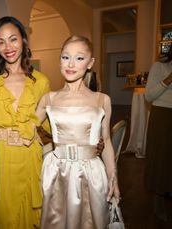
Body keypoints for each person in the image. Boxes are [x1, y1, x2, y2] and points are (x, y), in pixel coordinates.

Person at [36, 35, 120, 229]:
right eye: (65, 57)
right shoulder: (48, 98)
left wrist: (113, 178)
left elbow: (106, 141)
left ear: (90, 63)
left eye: (79, 58)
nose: (71, 64)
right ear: (60, 60)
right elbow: (29, 128)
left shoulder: (102, 100)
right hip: (56, 171)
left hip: (91, 172)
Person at [0, 16, 50, 229]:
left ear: (24, 41)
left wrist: (84, 138)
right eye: (1, 41)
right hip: (0, 161)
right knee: (5, 220)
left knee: (33, 219)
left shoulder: (41, 81)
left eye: (13, 39)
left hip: (30, 158)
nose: (7, 47)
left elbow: (50, 125)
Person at [144, 45, 172, 221]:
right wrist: (169, 79)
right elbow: (148, 96)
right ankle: (159, 199)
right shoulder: (159, 67)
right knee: (161, 158)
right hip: (163, 115)